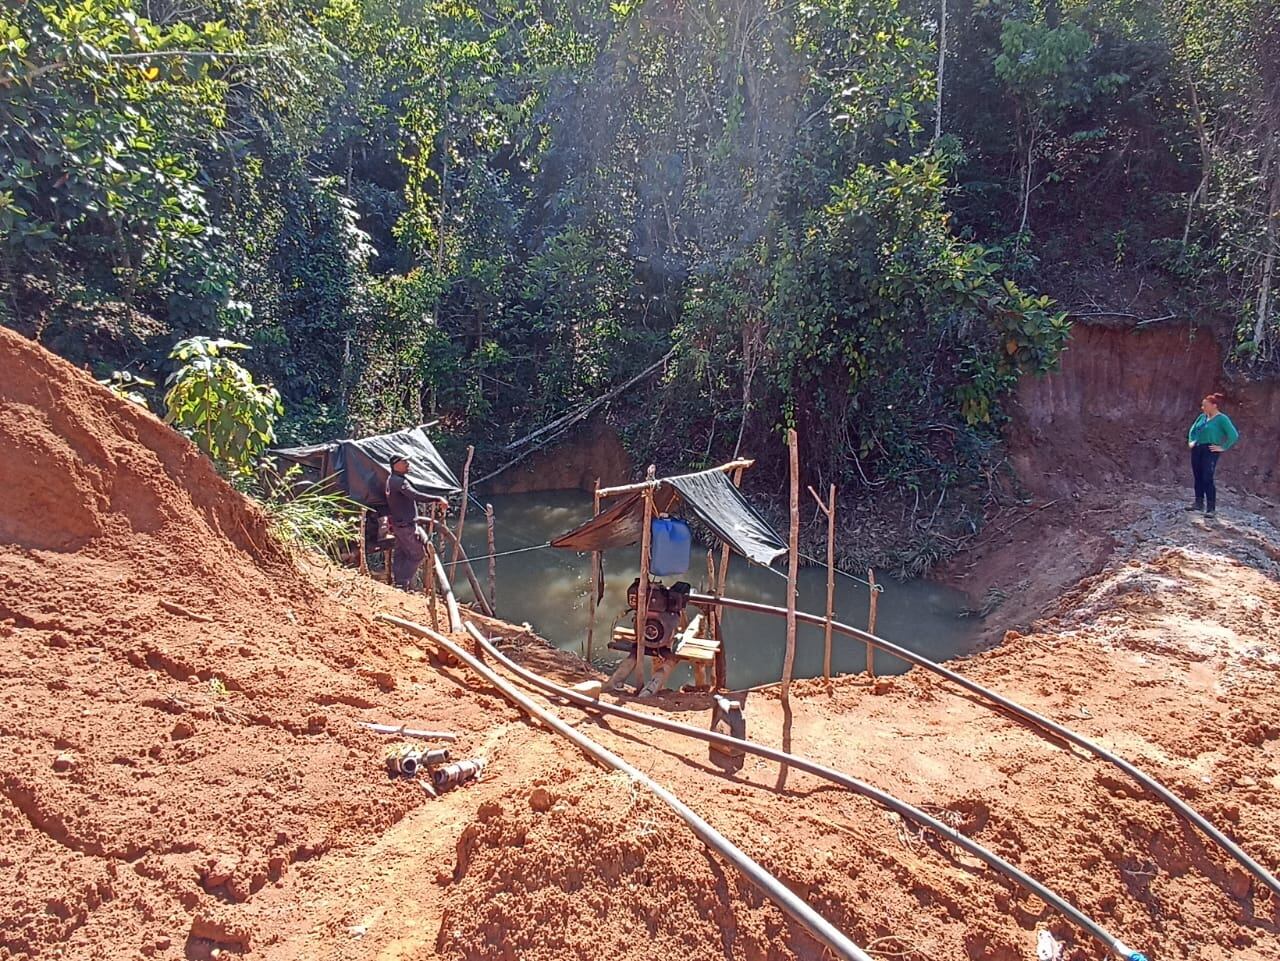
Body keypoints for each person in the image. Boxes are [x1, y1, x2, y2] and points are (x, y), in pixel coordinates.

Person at [385, 452, 449, 589]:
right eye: (405, 462)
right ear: (396, 465)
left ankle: (398, 583)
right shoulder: (399, 481)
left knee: (401, 553)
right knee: (417, 555)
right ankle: (401, 584)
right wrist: (437, 499)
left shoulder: (392, 480)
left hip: (399, 524)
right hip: (406, 526)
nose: (408, 465)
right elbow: (415, 495)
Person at [1185, 393, 1239, 516]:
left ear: (1214, 406)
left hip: (1210, 449)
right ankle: (1198, 503)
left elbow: (1233, 435)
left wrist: (1223, 447)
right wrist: (1191, 441)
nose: (1203, 408)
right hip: (1197, 448)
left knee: (1207, 477)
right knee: (1197, 476)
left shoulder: (1222, 419)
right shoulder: (1202, 417)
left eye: (1206, 405)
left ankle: (1211, 508)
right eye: (1203, 405)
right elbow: (1193, 429)